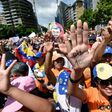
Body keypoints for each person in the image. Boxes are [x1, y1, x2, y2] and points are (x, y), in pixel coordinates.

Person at [60, 20, 112, 112]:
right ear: (96, 82)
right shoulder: (92, 93)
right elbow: (72, 91)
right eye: (104, 82)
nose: (110, 86)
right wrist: (78, 71)